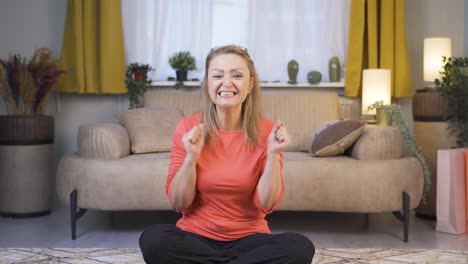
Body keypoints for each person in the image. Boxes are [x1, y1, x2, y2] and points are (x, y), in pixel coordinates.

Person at [139, 45, 315, 264]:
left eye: (238, 75)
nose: (227, 83)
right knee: (154, 239)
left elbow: (266, 205)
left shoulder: (268, 131)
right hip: (196, 238)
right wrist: (191, 158)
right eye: (218, 76)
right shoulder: (188, 127)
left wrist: (272, 154)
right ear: (208, 84)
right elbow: (179, 203)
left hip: (250, 240)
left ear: (250, 84)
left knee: (300, 247)